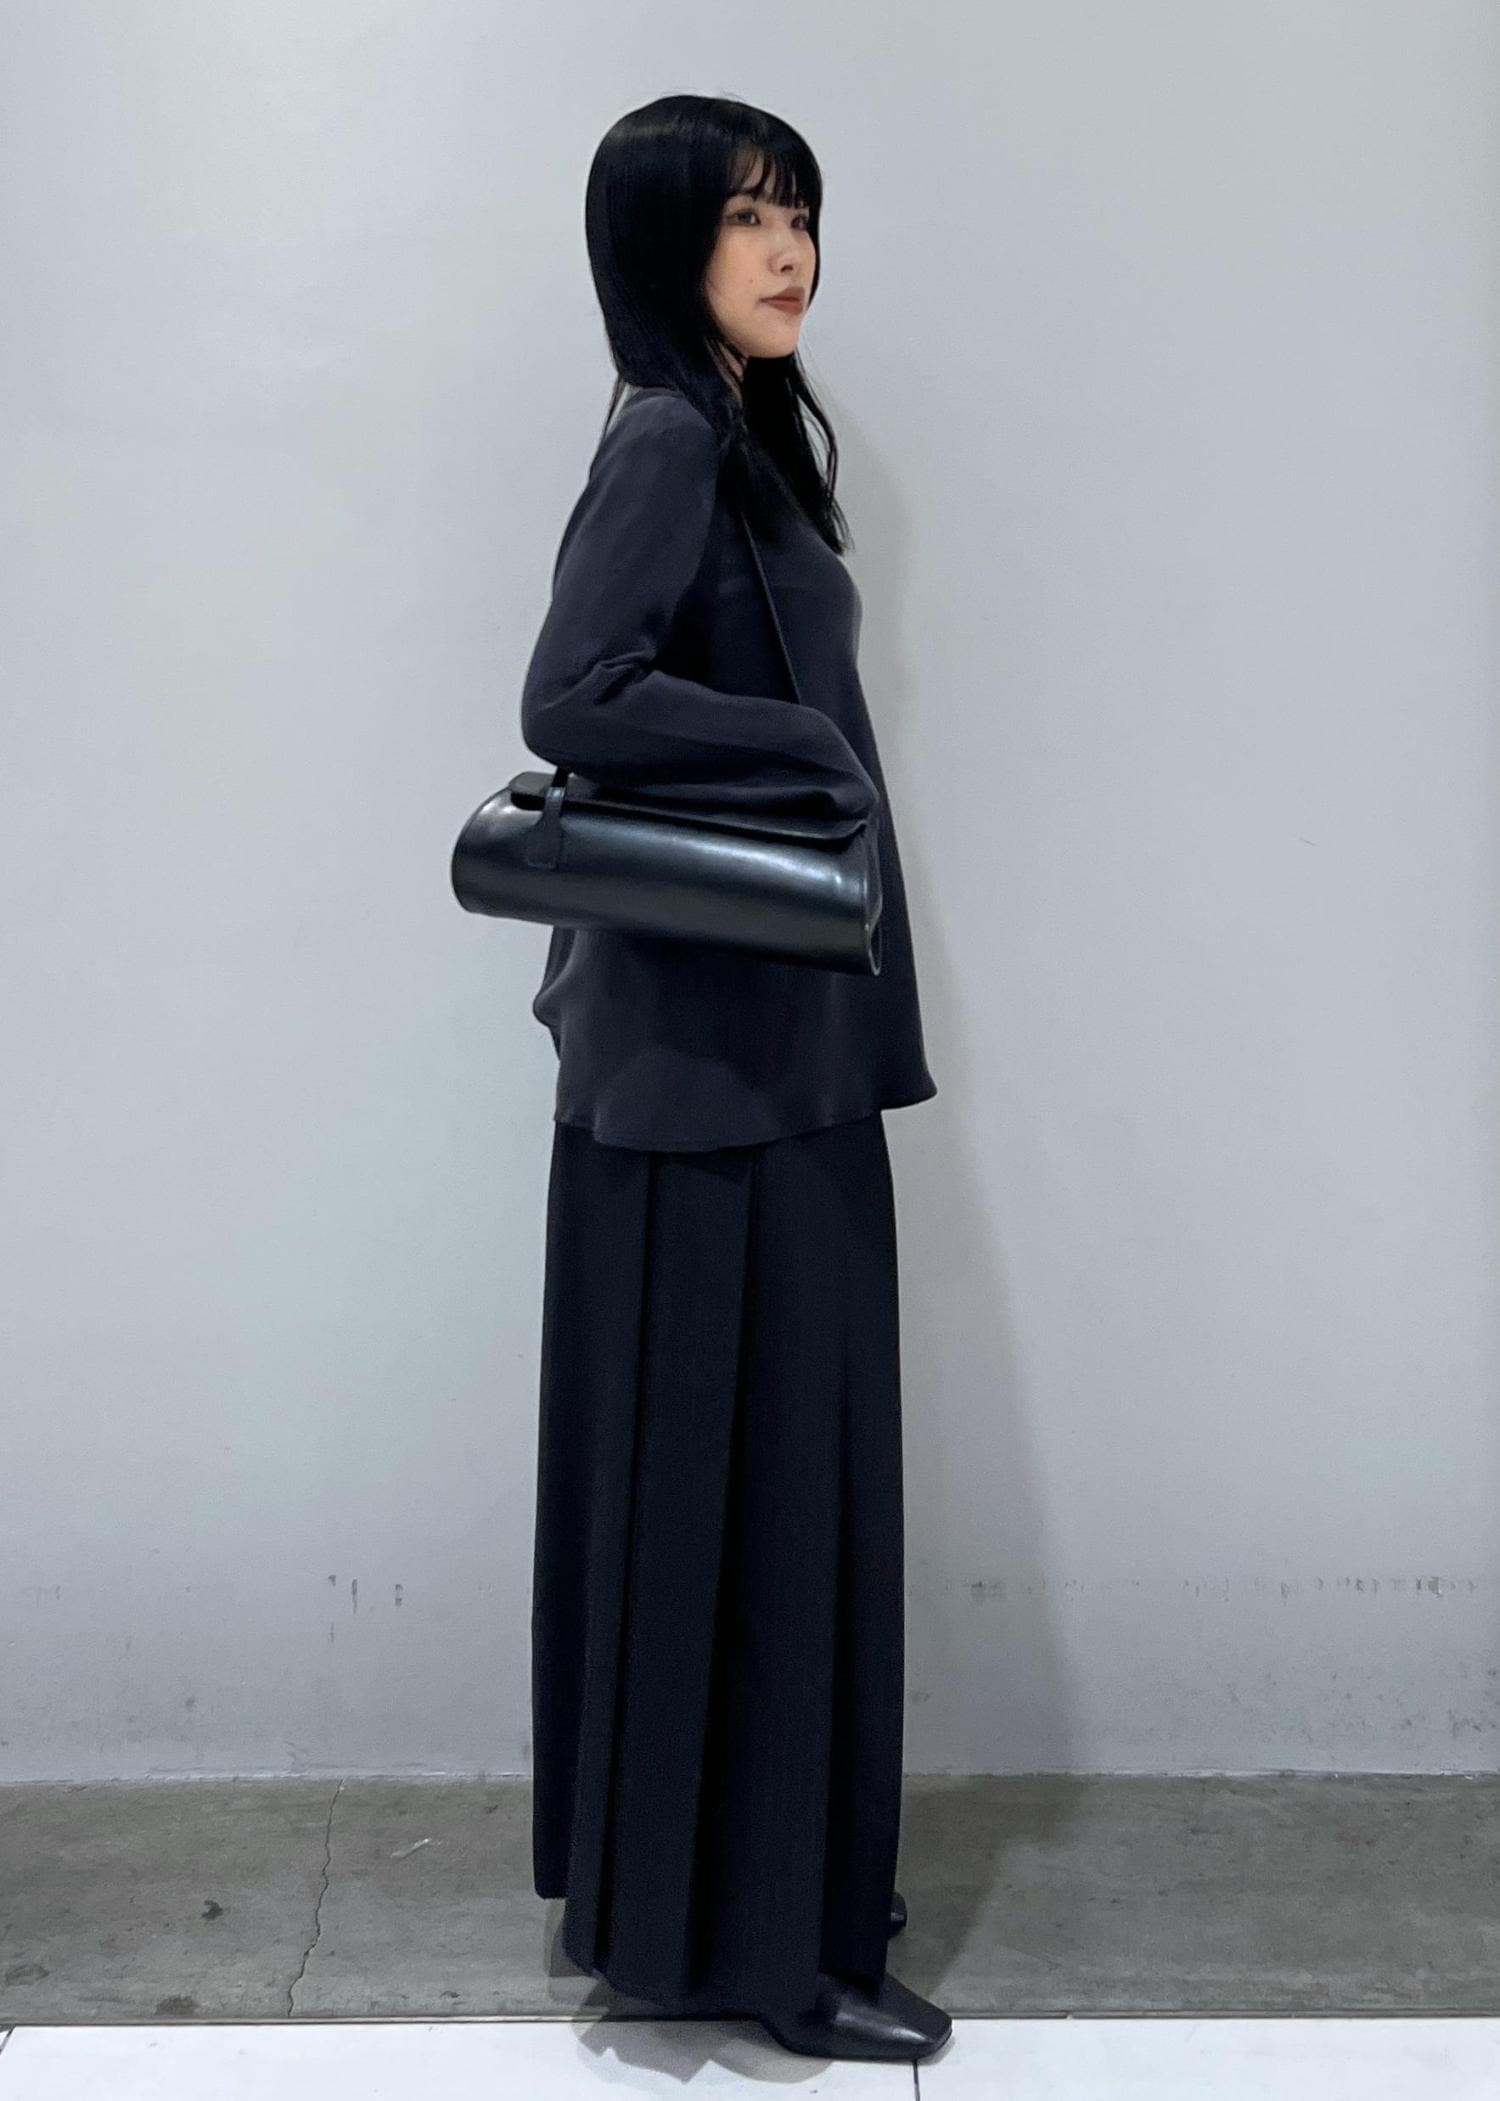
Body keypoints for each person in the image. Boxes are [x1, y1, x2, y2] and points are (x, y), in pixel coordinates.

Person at [519, 92, 950, 2066]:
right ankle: (762, 1953)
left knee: (773, 1491)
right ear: (662, 244)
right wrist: (811, 755)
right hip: (713, 1083)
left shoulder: (737, 430)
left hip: (762, 1055)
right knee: (755, 1499)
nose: (789, 251)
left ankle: (746, 1908)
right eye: (745, 217)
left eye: (801, 214)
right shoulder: (673, 436)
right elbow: (572, 695)